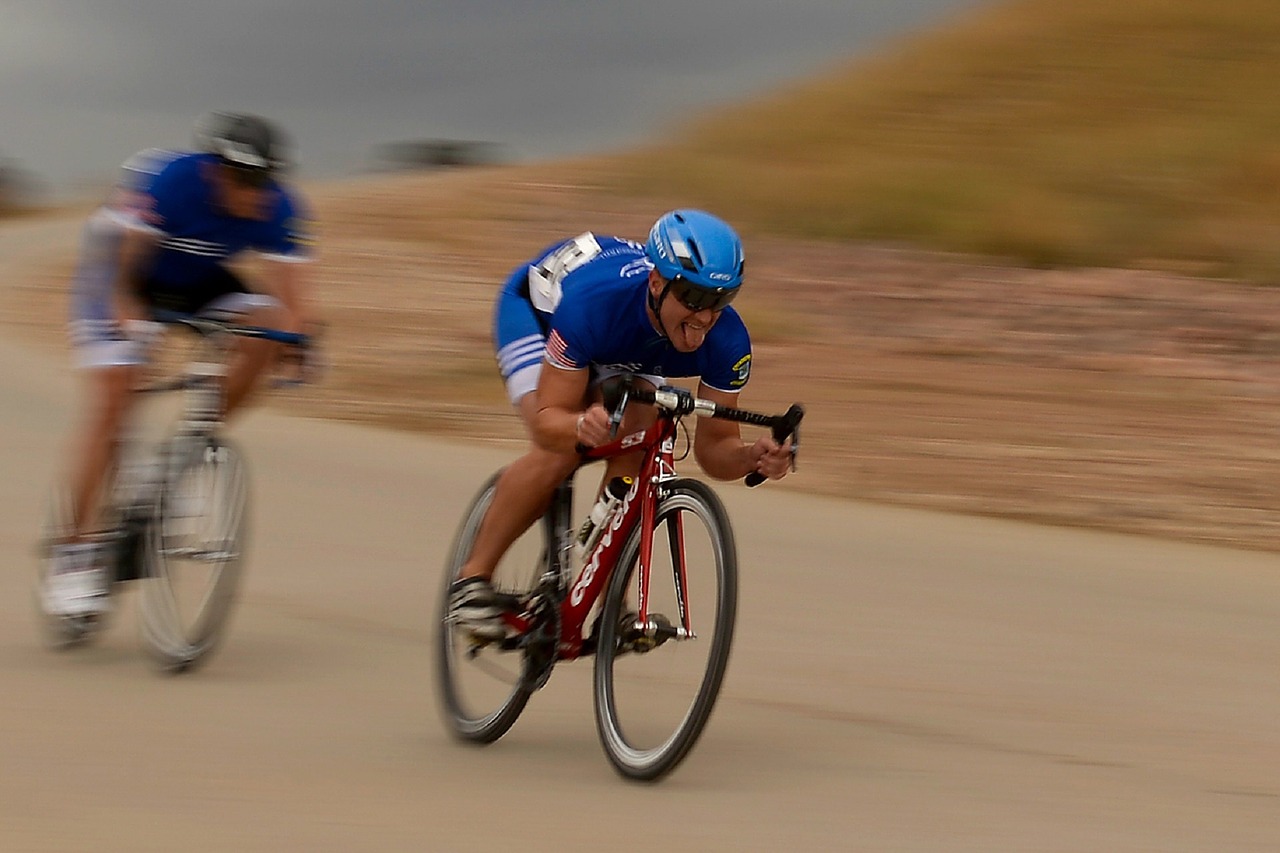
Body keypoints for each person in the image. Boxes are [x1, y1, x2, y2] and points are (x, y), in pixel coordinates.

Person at [449, 209, 794, 639]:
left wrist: (750, 458)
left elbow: (714, 450)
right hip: (540, 314)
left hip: (630, 345)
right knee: (560, 450)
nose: (706, 316)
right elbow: (547, 420)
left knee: (638, 435)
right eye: (693, 297)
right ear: (656, 284)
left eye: (720, 300)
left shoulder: (727, 341)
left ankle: (612, 602)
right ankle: (472, 582)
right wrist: (577, 426)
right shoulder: (594, 307)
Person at [42, 112, 319, 618]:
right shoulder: (173, 182)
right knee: (113, 403)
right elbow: (126, 274)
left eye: (262, 181)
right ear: (214, 171)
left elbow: (293, 297)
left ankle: (187, 454)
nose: (252, 193)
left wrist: (296, 338)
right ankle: (73, 556)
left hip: (199, 279)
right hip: (123, 275)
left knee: (268, 329)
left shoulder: (278, 207)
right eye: (241, 180)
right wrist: (132, 326)